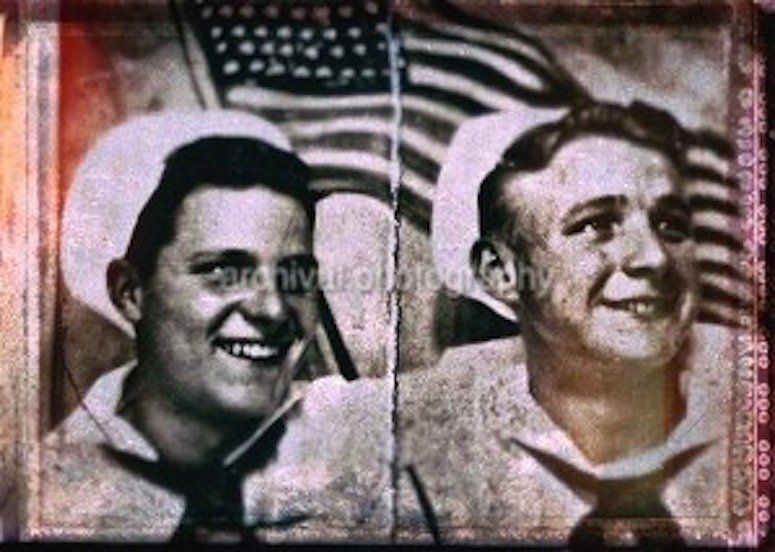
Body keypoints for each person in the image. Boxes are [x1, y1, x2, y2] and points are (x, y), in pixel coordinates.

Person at [39, 111, 391, 542]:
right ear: (131, 292)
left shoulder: (355, 433)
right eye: (226, 272)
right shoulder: (49, 498)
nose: (273, 309)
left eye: (294, 274)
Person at [397, 100, 737, 545]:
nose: (654, 257)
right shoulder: (413, 454)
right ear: (501, 273)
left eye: (671, 225)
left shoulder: (750, 408)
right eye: (597, 225)